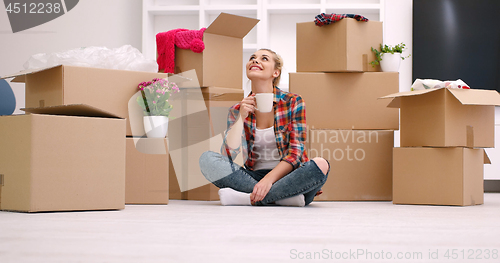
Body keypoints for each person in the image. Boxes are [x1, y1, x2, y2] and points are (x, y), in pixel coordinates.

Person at [199, 48, 329, 206]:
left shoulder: (293, 101)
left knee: (321, 164)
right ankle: (285, 198)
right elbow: (228, 156)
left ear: (276, 72)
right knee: (206, 159)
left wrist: (268, 181)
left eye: (264, 58)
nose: (255, 60)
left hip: (289, 176)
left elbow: (295, 153)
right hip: (252, 177)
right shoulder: (237, 109)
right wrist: (241, 118)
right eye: (252, 57)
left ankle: (247, 198)